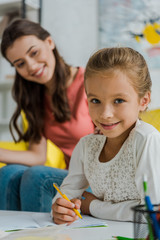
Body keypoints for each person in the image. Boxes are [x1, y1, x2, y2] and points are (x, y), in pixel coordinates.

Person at [52, 47, 160, 224]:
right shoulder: (87, 146)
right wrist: (60, 208)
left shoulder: (146, 139)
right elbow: (67, 195)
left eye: (118, 101)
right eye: (95, 101)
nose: (105, 114)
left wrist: (93, 207)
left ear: (143, 101)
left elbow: (151, 213)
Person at [0, 19, 94, 212]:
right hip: (70, 178)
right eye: (20, 64)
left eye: (34, 53)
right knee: (8, 173)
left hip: (99, 180)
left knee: (36, 176)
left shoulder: (91, 82)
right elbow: (37, 156)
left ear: (49, 42)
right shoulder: (34, 98)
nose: (32, 66)